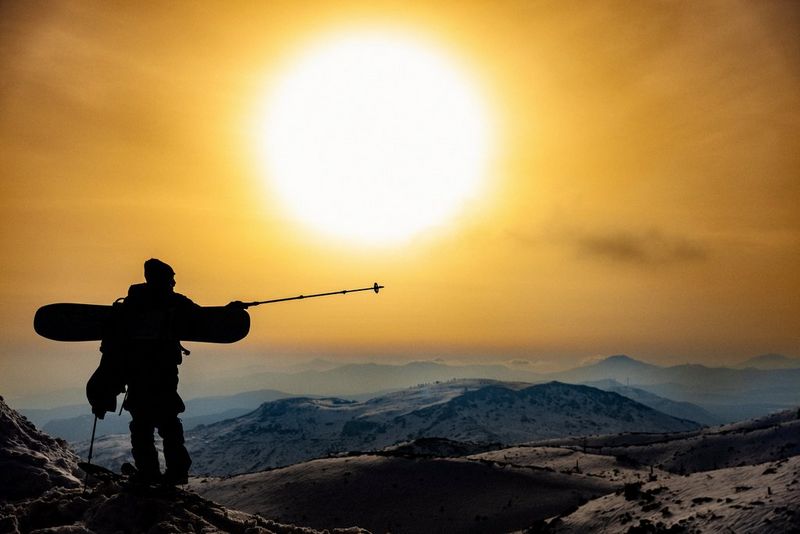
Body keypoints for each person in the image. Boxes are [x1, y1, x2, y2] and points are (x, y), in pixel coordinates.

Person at [88, 258, 198, 485]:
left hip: (136, 373)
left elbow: (113, 347)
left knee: (142, 424)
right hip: (163, 373)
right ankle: (176, 472)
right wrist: (229, 312)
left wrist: (106, 386)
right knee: (167, 422)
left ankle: (149, 472)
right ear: (160, 279)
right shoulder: (175, 302)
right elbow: (203, 317)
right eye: (170, 278)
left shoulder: (129, 306)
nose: (174, 282)